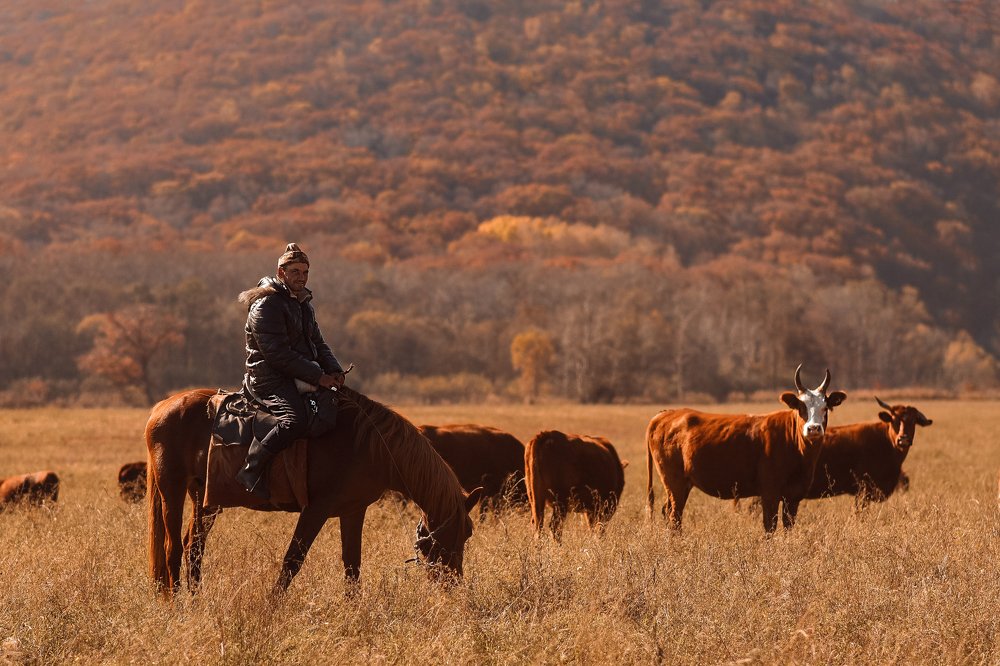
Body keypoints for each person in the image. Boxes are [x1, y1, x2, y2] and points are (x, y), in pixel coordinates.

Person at [235, 243, 346, 500]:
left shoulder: (303, 303)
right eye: (295, 271)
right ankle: (250, 471)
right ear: (281, 272)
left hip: (297, 374)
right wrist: (318, 377)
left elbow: (318, 343)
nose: (301, 277)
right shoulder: (267, 305)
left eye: (305, 272)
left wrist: (335, 370)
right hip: (268, 378)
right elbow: (277, 355)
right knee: (293, 420)